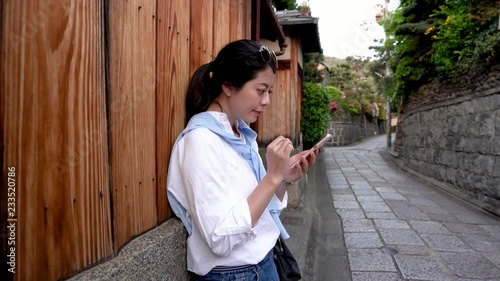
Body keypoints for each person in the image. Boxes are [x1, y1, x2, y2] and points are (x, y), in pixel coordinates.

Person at [167, 39, 318, 280]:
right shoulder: (200, 142)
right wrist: (272, 177)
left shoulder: (239, 134)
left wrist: (283, 180)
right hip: (235, 274)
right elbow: (220, 238)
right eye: (260, 90)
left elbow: (261, 209)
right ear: (228, 86)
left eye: (269, 91)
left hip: (264, 262)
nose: (267, 100)